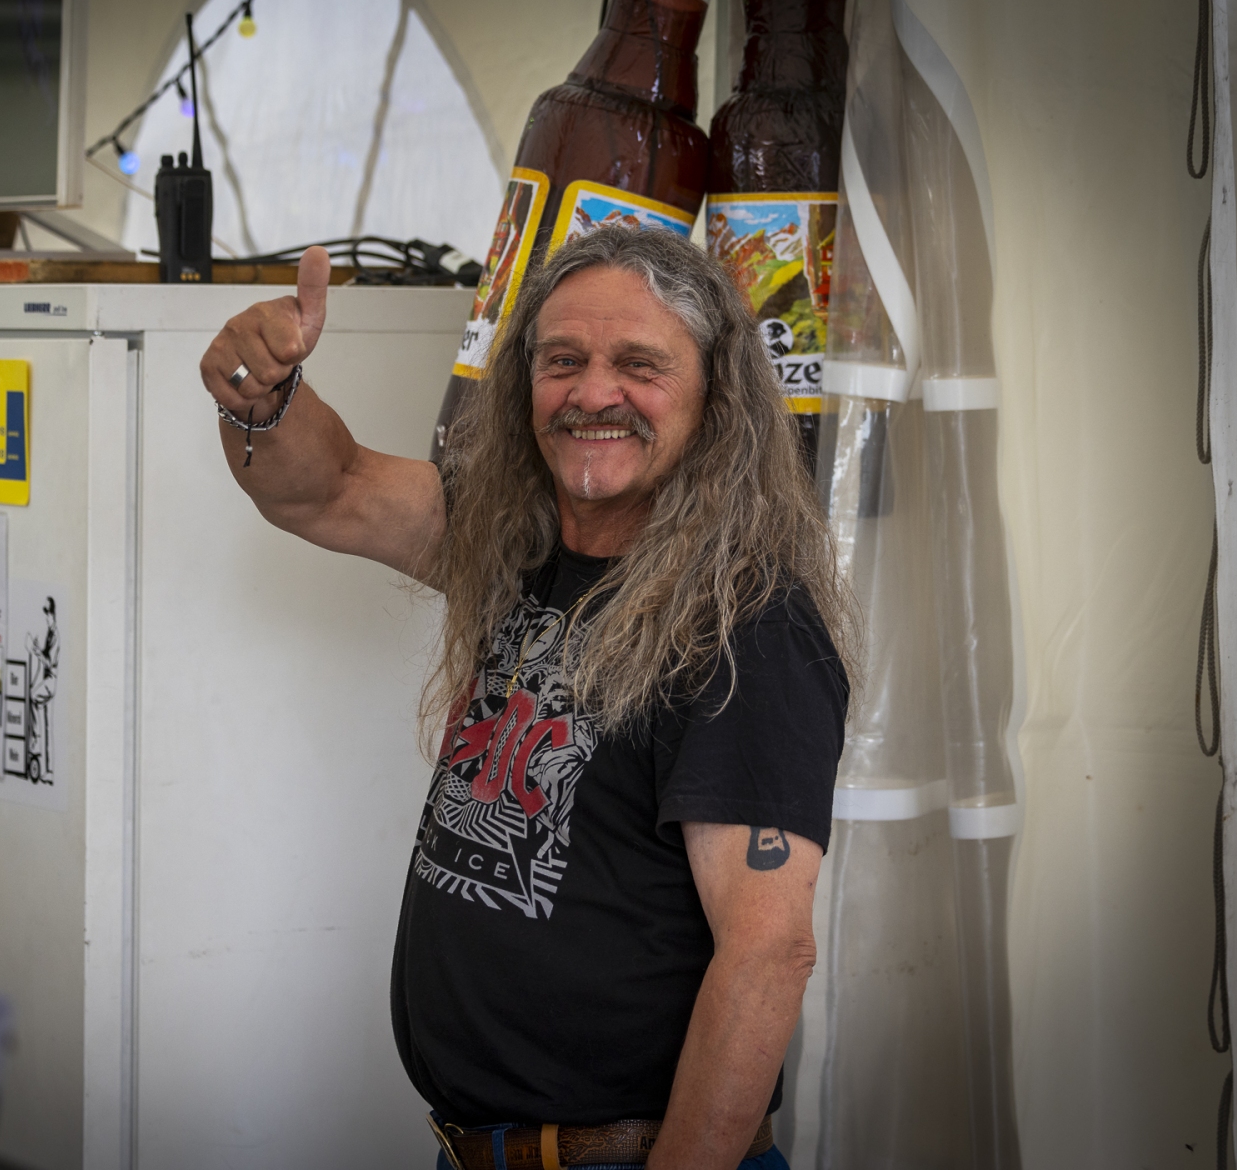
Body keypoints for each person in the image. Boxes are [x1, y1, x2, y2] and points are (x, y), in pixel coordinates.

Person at [199, 226, 850, 1170]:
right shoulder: (519, 544)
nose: (593, 393)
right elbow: (324, 490)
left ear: (717, 399)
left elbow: (766, 954)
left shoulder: (747, 624)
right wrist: (261, 395)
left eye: (639, 365)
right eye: (563, 361)